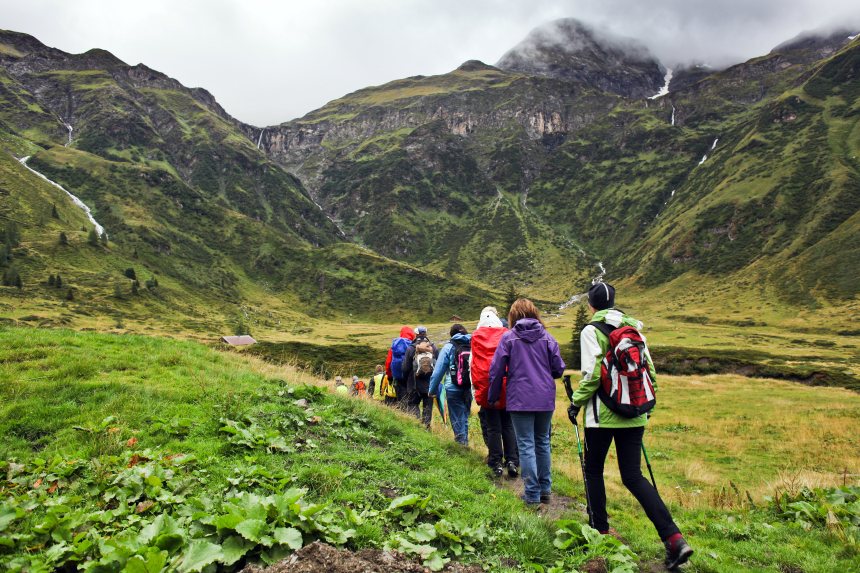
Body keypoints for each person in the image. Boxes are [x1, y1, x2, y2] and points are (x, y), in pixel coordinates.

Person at [570, 282, 693, 570]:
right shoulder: (634, 329)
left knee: (593, 470)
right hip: (635, 413)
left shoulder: (591, 331)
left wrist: (575, 402)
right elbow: (649, 371)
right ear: (614, 302)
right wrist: (646, 407)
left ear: (591, 305)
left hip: (602, 417)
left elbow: (591, 375)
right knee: (633, 476)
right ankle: (674, 538)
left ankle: (599, 531)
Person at [489, 299, 565, 506]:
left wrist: (493, 396)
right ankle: (545, 489)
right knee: (542, 442)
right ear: (534, 314)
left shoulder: (509, 338)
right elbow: (558, 369)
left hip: (520, 399)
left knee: (526, 444)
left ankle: (531, 493)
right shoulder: (548, 338)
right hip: (544, 399)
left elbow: (496, 371)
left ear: (513, 316)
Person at [471, 307, 519, 478]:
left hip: (486, 387)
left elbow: (474, 365)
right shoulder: (506, 334)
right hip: (507, 385)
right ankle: (512, 461)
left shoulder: (476, 337)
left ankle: (496, 463)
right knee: (508, 425)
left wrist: (476, 388)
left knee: (493, 428)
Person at [428, 324, 473, 445]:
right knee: (464, 415)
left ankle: (461, 444)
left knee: (457, 417)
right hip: (469, 387)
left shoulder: (449, 347)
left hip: (453, 387)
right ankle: (465, 442)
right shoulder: (472, 344)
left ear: (451, 334)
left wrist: (432, 390)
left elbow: (438, 372)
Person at [402, 326, 438, 428]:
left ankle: (416, 427)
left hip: (414, 384)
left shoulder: (411, 348)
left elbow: (405, 368)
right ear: (426, 334)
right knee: (427, 407)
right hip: (430, 385)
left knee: (413, 404)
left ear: (416, 334)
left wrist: (406, 380)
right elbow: (438, 366)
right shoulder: (433, 348)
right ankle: (426, 427)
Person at [385, 326, 415, 409]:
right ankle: (411, 415)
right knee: (411, 400)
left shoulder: (395, 345)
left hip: (398, 376)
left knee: (401, 398)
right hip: (410, 377)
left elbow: (388, 362)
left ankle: (403, 414)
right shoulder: (413, 346)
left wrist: (390, 376)